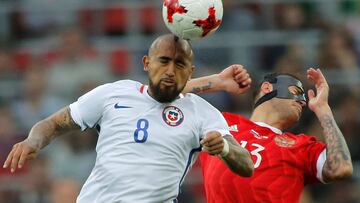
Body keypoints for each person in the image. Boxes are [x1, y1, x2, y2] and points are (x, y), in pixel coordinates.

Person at [3, 34, 254, 203]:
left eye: (179, 65)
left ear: (191, 72)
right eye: (163, 61)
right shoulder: (114, 93)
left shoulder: (203, 113)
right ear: (146, 63)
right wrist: (33, 142)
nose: (170, 70)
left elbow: (246, 165)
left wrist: (223, 149)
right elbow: (54, 123)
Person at [186, 67, 353, 202]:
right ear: (267, 88)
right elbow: (164, 99)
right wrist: (218, 82)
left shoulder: (301, 145)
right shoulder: (220, 121)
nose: (303, 101)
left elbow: (341, 168)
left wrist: (324, 110)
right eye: (296, 91)